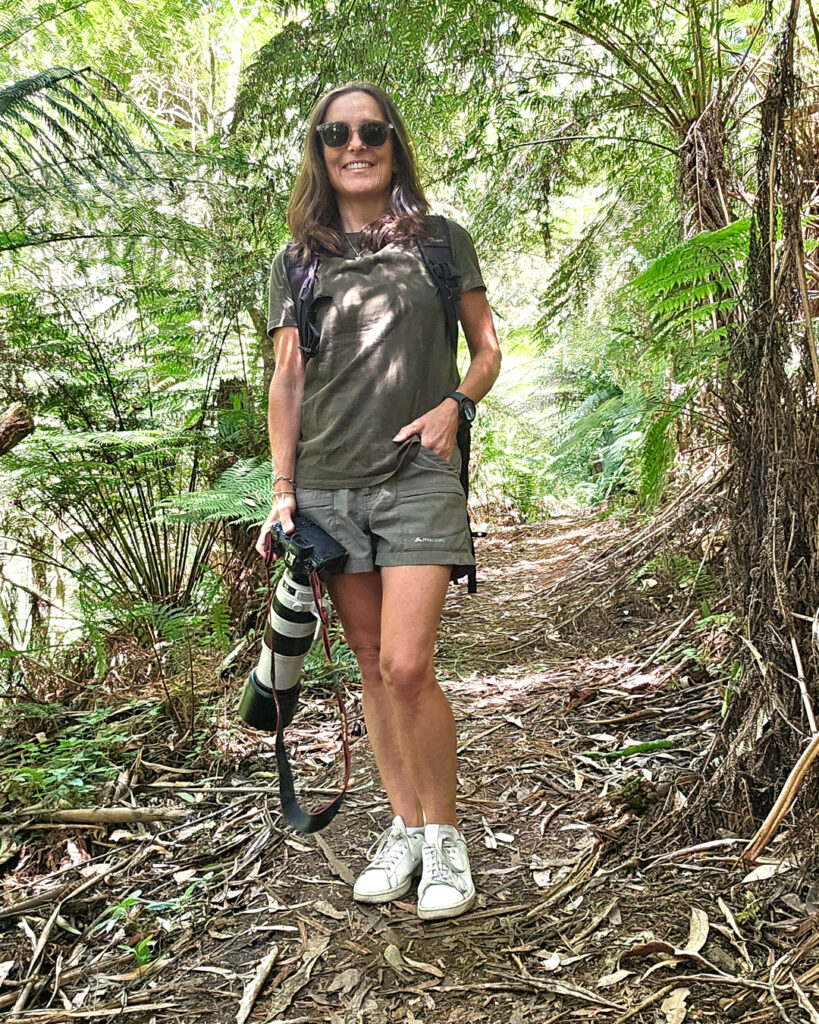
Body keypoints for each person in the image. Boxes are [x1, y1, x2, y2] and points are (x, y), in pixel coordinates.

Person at [256, 81, 501, 921]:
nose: (352, 144)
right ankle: (401, 826)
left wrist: (454, 406)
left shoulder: (438, 243)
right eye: (335, 133)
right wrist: (281, 491)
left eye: (370, 131)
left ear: (393, 142)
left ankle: (444, 838)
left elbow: (486, 349)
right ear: (318, 149)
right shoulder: (298, 259)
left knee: (406, 664)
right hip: (325, 488)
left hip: (416, 478)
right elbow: (287, 381)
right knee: (367, 665)